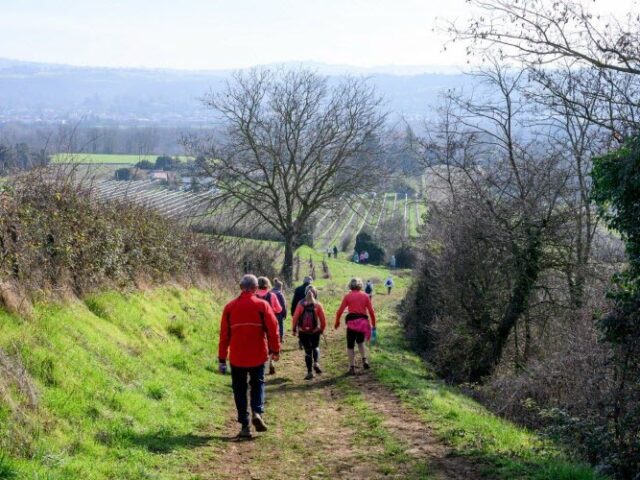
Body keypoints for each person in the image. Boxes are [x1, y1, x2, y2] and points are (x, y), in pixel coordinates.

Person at [218, 275, 280, 439]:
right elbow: (273, 329)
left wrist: (222, 359)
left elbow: (224, 336)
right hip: (258, 354)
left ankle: (245, 426)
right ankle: (257, 412)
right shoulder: (262, 305)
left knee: (239, 389)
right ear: (255, 288)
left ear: (240, 287)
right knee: (258, 384)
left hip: (237, 357)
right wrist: (275, 350)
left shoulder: (229, 307)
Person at [334, 277, 377, 375]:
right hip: (362, 323)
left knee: (350, 346)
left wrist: (337, 322)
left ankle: (352, 368)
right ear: (360, 285)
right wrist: (374, 326)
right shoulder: (366, 296)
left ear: (350, 285)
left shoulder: (347, 297)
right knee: (360, 342)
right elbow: (371, 312)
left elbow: (339, 311)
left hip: (352, 324)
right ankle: (364, 359)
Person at [292, 285, 327, 380]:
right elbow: (323, 320)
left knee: (307, 351)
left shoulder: (300, 304)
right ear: (315, 294)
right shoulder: (318, 304)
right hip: (315, 331)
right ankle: (316, 362)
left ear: (305, 293)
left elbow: (295, 318)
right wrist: (322, 329)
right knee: (315, 347)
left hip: (303, 331)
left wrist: (294, 329)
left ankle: (309, 372)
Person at [256, 277, 283, 374]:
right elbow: (279, 309)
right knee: (271, 341)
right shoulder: (272, 295)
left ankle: (259, 364)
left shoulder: (254, 296)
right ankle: (269, 363)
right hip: (270, 322)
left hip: (257, 323)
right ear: (268, 285)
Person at [291, 276, 314, 350]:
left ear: (303, 281)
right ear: (310, 281)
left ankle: (301, 341)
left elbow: (294, 301)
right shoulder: (313, 289)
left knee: (300, 325)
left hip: (300, 310)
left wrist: (293, 312)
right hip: (311, 310)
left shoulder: (298, 289)